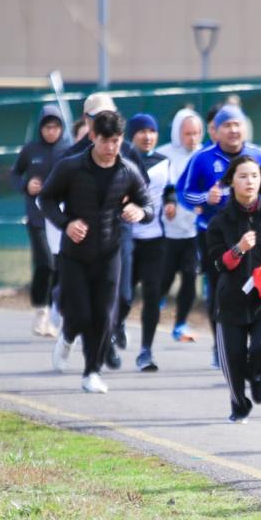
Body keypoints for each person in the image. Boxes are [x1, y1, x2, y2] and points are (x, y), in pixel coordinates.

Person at [41, 110, 152, 393]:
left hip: (109, 252)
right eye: (105, 141)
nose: (111, 147)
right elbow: (46, 198)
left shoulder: (127, 171)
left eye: (116, 141)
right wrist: (66, 224)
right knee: (79, 314)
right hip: (74, 253)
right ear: (92, 136)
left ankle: (92, 371)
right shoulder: (71, 167)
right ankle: (67, 335)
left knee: (104, 315)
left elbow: (149, 206)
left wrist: (139, 211)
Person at [174, 104, 261, 364]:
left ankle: (254, 344)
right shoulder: (203, 158)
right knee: (220, 292)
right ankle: (221, 347)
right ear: (215, 131)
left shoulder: (259, 156)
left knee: (256, 289)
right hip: (214, 236)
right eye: (226, 125)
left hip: (253, 236)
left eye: (237, 124)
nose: (233, 130)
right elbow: (184, 193)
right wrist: (206, 197)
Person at [205, 156, 261, 422]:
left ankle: (257, 377)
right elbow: (219, 263)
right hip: (230, 301)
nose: (249, 181)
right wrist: (239, 249)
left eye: (254, 175)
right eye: (243, 176)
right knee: (232, 361)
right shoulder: (220, 222)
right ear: (231, 181)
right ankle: (239, 406)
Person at [120, 113, 173, 372]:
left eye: (152, 131)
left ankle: (146, 352)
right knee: (124, 297)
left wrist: (172, 203)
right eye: (142, 131)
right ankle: (116, 326)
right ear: (132, 135)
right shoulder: (122, 160)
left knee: (152, 296)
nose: (148, 136)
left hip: (155, 240)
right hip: (127, 240)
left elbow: (171, 189)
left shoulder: (164, 162)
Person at [12, 105, 70, 337]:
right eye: (47, 127)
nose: (51, 131)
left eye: (56, 127)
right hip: (36, 217)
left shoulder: (68, 150)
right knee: (45, 264)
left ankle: (55, 311)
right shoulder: (30, 150)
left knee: (59, 266)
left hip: (60, 217)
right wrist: (26, 186)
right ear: (40, 128)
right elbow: (15, 174)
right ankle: (41, 310)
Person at [157, 107, 204, 343]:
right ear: (177, 133)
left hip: (192, 231)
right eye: (187, 133)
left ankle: (180, 324)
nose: (193, 138)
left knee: (189, 280)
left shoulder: (203, 155)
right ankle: (153, 309)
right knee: (164, 279)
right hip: (167, 232)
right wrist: (168, 204)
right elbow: (161, 188)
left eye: (196, 133)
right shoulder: (163, 155)